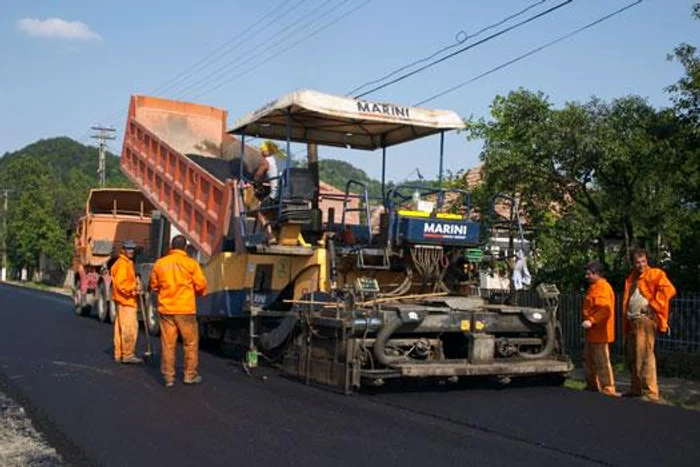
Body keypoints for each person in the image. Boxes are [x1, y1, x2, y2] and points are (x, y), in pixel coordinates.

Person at [149, 235, 208, 388]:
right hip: (185, 310)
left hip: (166, 310)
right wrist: (194, 294)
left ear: (171, 246)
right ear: (185, 247)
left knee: (168, 344)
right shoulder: (191, 264)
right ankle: (190, 375)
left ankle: (168, 378)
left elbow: (154, 286)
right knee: (190, 343)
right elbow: (201, 285)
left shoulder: (160, 264)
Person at [622, 248, 676, 401]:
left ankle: (651, 392)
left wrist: (653, 305)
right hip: (632, 321)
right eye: (637, 262)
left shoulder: (655, 274)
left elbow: (669, 290)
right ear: (633, 263)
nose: (640, 265)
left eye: (643, 261)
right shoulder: (631, 278)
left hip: (645, 319)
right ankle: (636, 389)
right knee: (632, 356)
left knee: (645, 355)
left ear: (647, 261)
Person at [581, 260, 617, 396]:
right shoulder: (594, 287)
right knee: (588, 360)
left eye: (588, 273)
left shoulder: (602, 288)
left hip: (600, 333)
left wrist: (591, 321)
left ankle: (608, 389)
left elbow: (605, 310)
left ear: (597, 273)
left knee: (602, 362)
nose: (586, 276)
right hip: (592, 333)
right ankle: (592, 386)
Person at [110, 240, 143, 364]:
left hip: (123, 301)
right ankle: (128, 354)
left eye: (132, 249)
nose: (131, 251)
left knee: (120, 329)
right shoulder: (123, 264)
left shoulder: (125, 263)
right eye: (128, 249)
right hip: (126, 301)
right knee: (130, 328)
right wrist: (134, 288)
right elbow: (121, 284)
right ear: (123, 250)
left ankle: (119, 353)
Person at [252, 140, 281, 243]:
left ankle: (270, 236)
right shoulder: (281, 159)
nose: (261, 153)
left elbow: (257, 177)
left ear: (268, 151)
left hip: (275, 195)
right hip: (286, 195)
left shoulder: (266, 161)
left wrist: (256, 185)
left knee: (260, 211)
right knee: (272, 211)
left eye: (262, 150)